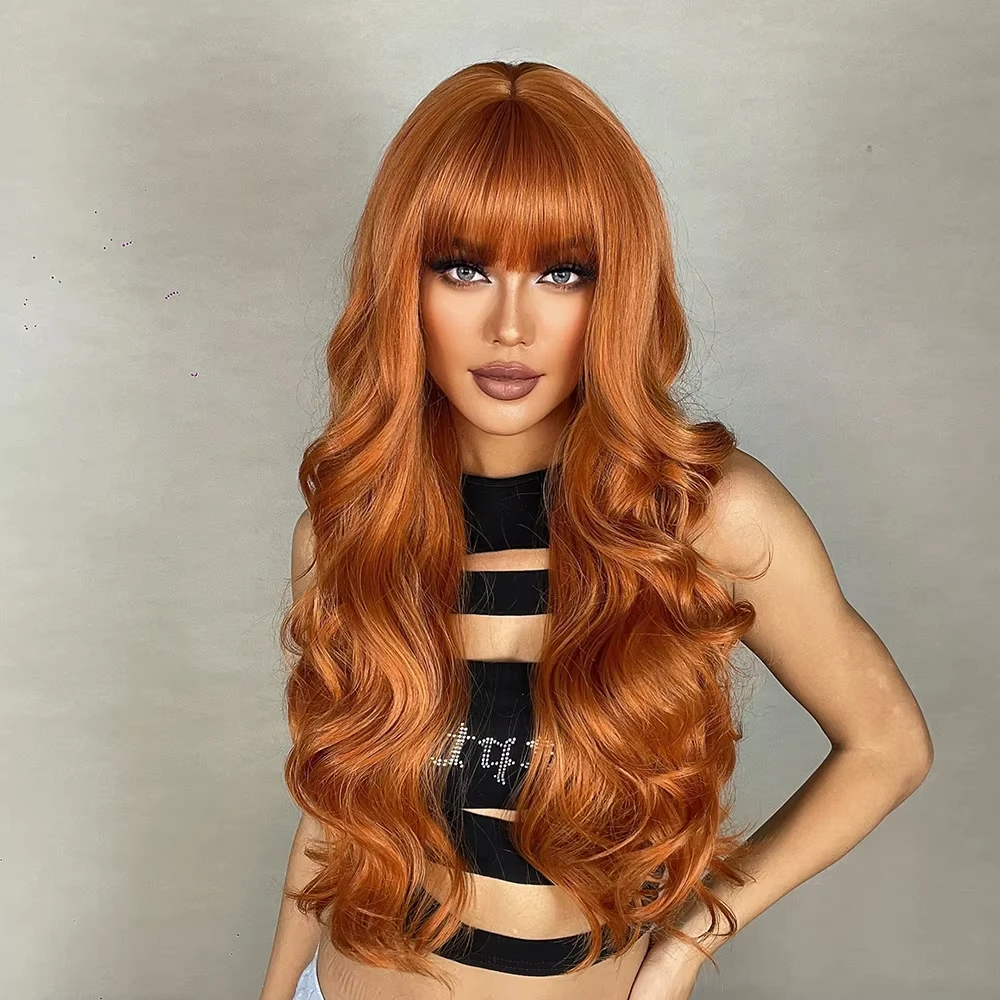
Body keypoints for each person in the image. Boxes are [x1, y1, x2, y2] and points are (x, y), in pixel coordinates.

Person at [257, 60, 933, 1000]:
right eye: (463, 267)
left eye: (562, 271)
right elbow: (335, 816)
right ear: (402, 282)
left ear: (616, 291)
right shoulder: (351, 529)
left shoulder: (701, 516)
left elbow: (888, 746)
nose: (510, 325)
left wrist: (688, 946)